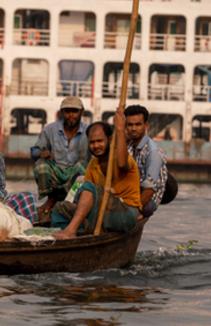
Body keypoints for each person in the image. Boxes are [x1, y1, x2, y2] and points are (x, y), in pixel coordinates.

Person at [51, 109, 142, 240]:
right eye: (92, 142)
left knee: (89, 186)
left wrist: (120, 129)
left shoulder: (121, 158)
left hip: (125, 213)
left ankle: (71, 230)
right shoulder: (93, 164)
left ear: (110, 140)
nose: (96, 145)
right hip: (102, 211)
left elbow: (122, 165)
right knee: (60, 207)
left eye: (100, 141)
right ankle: (68, 234)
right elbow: (86, 196)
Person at [30, 97, 90, 215]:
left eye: (74, 111)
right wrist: (42, 153)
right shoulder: (50, 129)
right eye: (67, 111)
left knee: (84, 166)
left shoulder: (89, 130)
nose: (71, 115)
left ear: (81, 112)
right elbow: (34, 151)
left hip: (76, 176)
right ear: (62, 113)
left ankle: (69, 201)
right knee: (40, 165)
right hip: (56, 174)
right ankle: (51, 199)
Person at [124, 104, 168, 217]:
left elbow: (149, 190)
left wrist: (132, 212)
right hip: (132, 193)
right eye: (130, 125)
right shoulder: (129, 148)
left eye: (138, 124)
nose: (133, 128)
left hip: (147, 200)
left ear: (145, 125)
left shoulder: (153, 152)